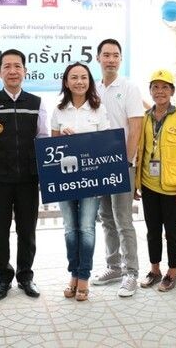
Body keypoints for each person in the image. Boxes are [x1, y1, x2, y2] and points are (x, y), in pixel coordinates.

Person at [0, 49, 48, 300]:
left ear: (25, 71)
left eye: (18, 66)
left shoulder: (36, 103)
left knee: (27, 231)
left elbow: (44, 139)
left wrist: (45, 175)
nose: (13, 71)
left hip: (28, 180)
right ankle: (3, 278)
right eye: (7, 66)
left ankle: (26, 276)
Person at [51, 62, 110, 302]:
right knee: (69, 229)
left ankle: (83, 277)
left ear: (89, 81)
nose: (79, 82)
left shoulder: (99, 109)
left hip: (91, 179)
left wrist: (85, 140)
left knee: (86, 228)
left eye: (83, 77)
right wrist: (63, 138)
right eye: (74, 77)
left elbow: (106, 143)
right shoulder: (58, 110)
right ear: (66, 82)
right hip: (66, 179)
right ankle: (73, 275)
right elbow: (52, 148)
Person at [91, 38, 144, 297]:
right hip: (99, 166)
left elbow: (135, 127)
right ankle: (114, 267)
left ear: (120, 59)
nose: (111, 59)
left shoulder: (129, 88)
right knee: (107, 219)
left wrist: (127, 161)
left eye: (115, 55)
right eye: (106, 55)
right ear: (98, 58)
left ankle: (132, 272)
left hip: (122, 165)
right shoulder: (93, 89)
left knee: (124, 220)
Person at [135, 69, 176, 292]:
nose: (160, 92)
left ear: (171, 91)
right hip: (149, 183)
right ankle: (155, 269)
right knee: (152, 230)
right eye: (155, 87)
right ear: (150, 91)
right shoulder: (146, 117)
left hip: (172, 184)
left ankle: (173, 272)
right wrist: (136, 183)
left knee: (172, 231)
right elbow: (141, 150)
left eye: (164, 87)